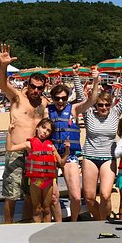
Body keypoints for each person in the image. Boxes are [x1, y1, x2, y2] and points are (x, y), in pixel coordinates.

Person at [74, 64, 122, 220]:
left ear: (110, 105)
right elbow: (80, 96)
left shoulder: (115, 112)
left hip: (108, 158)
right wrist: (76, 76)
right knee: (90, 198)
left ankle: (104, 223)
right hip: (90, 156)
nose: (103, 107)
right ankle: (101, 220)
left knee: (105, 195)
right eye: (100, 105)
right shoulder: (88, 113)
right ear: (95, 105)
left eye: (106, 104)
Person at [0, 43, 48, 224]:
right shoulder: (17, 98)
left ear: (44, 88)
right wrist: (3, 65)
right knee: (11, 195)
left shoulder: (44, 103)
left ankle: (26, 224)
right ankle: (8, 228)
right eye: (33, 87)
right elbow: (2, 84)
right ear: (28, 84)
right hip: (16, 151)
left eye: (39, 88)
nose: (36, 91)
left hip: (34, 153)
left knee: (30, 194)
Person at [47, 66, 100, 221]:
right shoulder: (46, 110)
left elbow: (92, 100)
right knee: (54, 197)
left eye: (64, 98)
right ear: (53, 98)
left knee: (76, 197)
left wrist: (96, 80)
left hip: (69, 156)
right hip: (52, 155)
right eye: (57, 98)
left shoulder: (74, 109)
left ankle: (73, 222)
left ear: (67, 98)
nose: (61, 101)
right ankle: (57, 223)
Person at [8, 119, 70, 222]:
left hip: (48, 182)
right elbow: (10, 148)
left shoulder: (51, 146)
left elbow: (62, 162)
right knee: (36, 209)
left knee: (46, 209)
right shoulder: (29, 144)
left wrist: (67, 150)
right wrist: (10, 132)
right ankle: (37, 229)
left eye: (48, 130)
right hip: (35, 182)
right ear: (38, 127)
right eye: (43, 128)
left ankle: (46, 232)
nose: (45, 131)